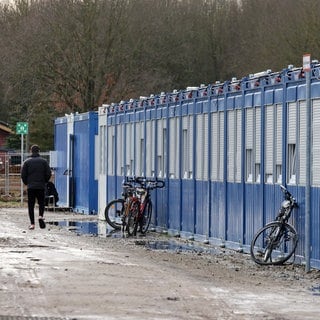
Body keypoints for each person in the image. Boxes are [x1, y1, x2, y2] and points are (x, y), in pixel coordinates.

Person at [21, 144, 51, 230]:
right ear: (39, 151)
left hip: (31, 187)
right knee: (41, 203)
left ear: (31, 151)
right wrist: (44, 181)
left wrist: (27, 183)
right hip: (41, 186)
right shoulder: (44, 161)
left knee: (31, 205)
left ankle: (32, 224)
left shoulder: (27, 162)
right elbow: (48, 173)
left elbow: (23, 175)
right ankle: (41, 216)